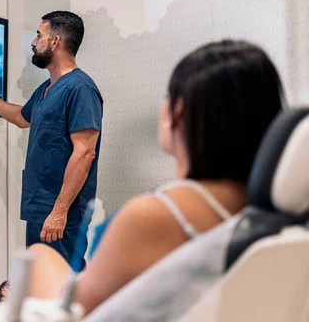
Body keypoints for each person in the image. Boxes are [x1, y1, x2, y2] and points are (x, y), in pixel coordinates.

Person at [23, 39, 285, 316]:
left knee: (39, 258)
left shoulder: (153, 216)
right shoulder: (271, 215)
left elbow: (78, 312)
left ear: (178, 113)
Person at [0, 11, 103, 292]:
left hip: (62, 213)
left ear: (55, 42)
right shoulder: (46, 89)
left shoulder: (81, 89)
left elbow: (85, 153)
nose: (33, 42)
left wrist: (59, 212)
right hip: (40, 208)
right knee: (42, 286)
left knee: (65, 289)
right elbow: (20, 117)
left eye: (39, 35)